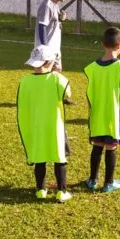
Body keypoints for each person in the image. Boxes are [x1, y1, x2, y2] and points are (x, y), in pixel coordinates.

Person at [16, 45, 73, 203]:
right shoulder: (57, 79)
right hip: (55, 127)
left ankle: (40, 189)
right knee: (59, 157)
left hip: (36, 126)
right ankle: (62, 191)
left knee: (40, 157)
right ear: (50, 62)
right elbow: (68, 93)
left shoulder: (25, 81)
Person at [83, 27, 120, 192]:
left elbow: (89, 93)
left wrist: (91, 112)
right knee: (111, 147)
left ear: (102, 44)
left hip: (97, 115)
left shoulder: (91, 68)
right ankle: (108, 183)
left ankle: (92, 180)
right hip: (114, 116)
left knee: (97, 145)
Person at [34, 0, 69, 72]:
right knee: (45, 76)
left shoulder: (55, 5)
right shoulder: (47, 5)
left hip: (55, 49)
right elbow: (42, 26)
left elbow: (52, 22)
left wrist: (61, 19)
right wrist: (45, 50)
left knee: (57, 73)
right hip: (48, 50)